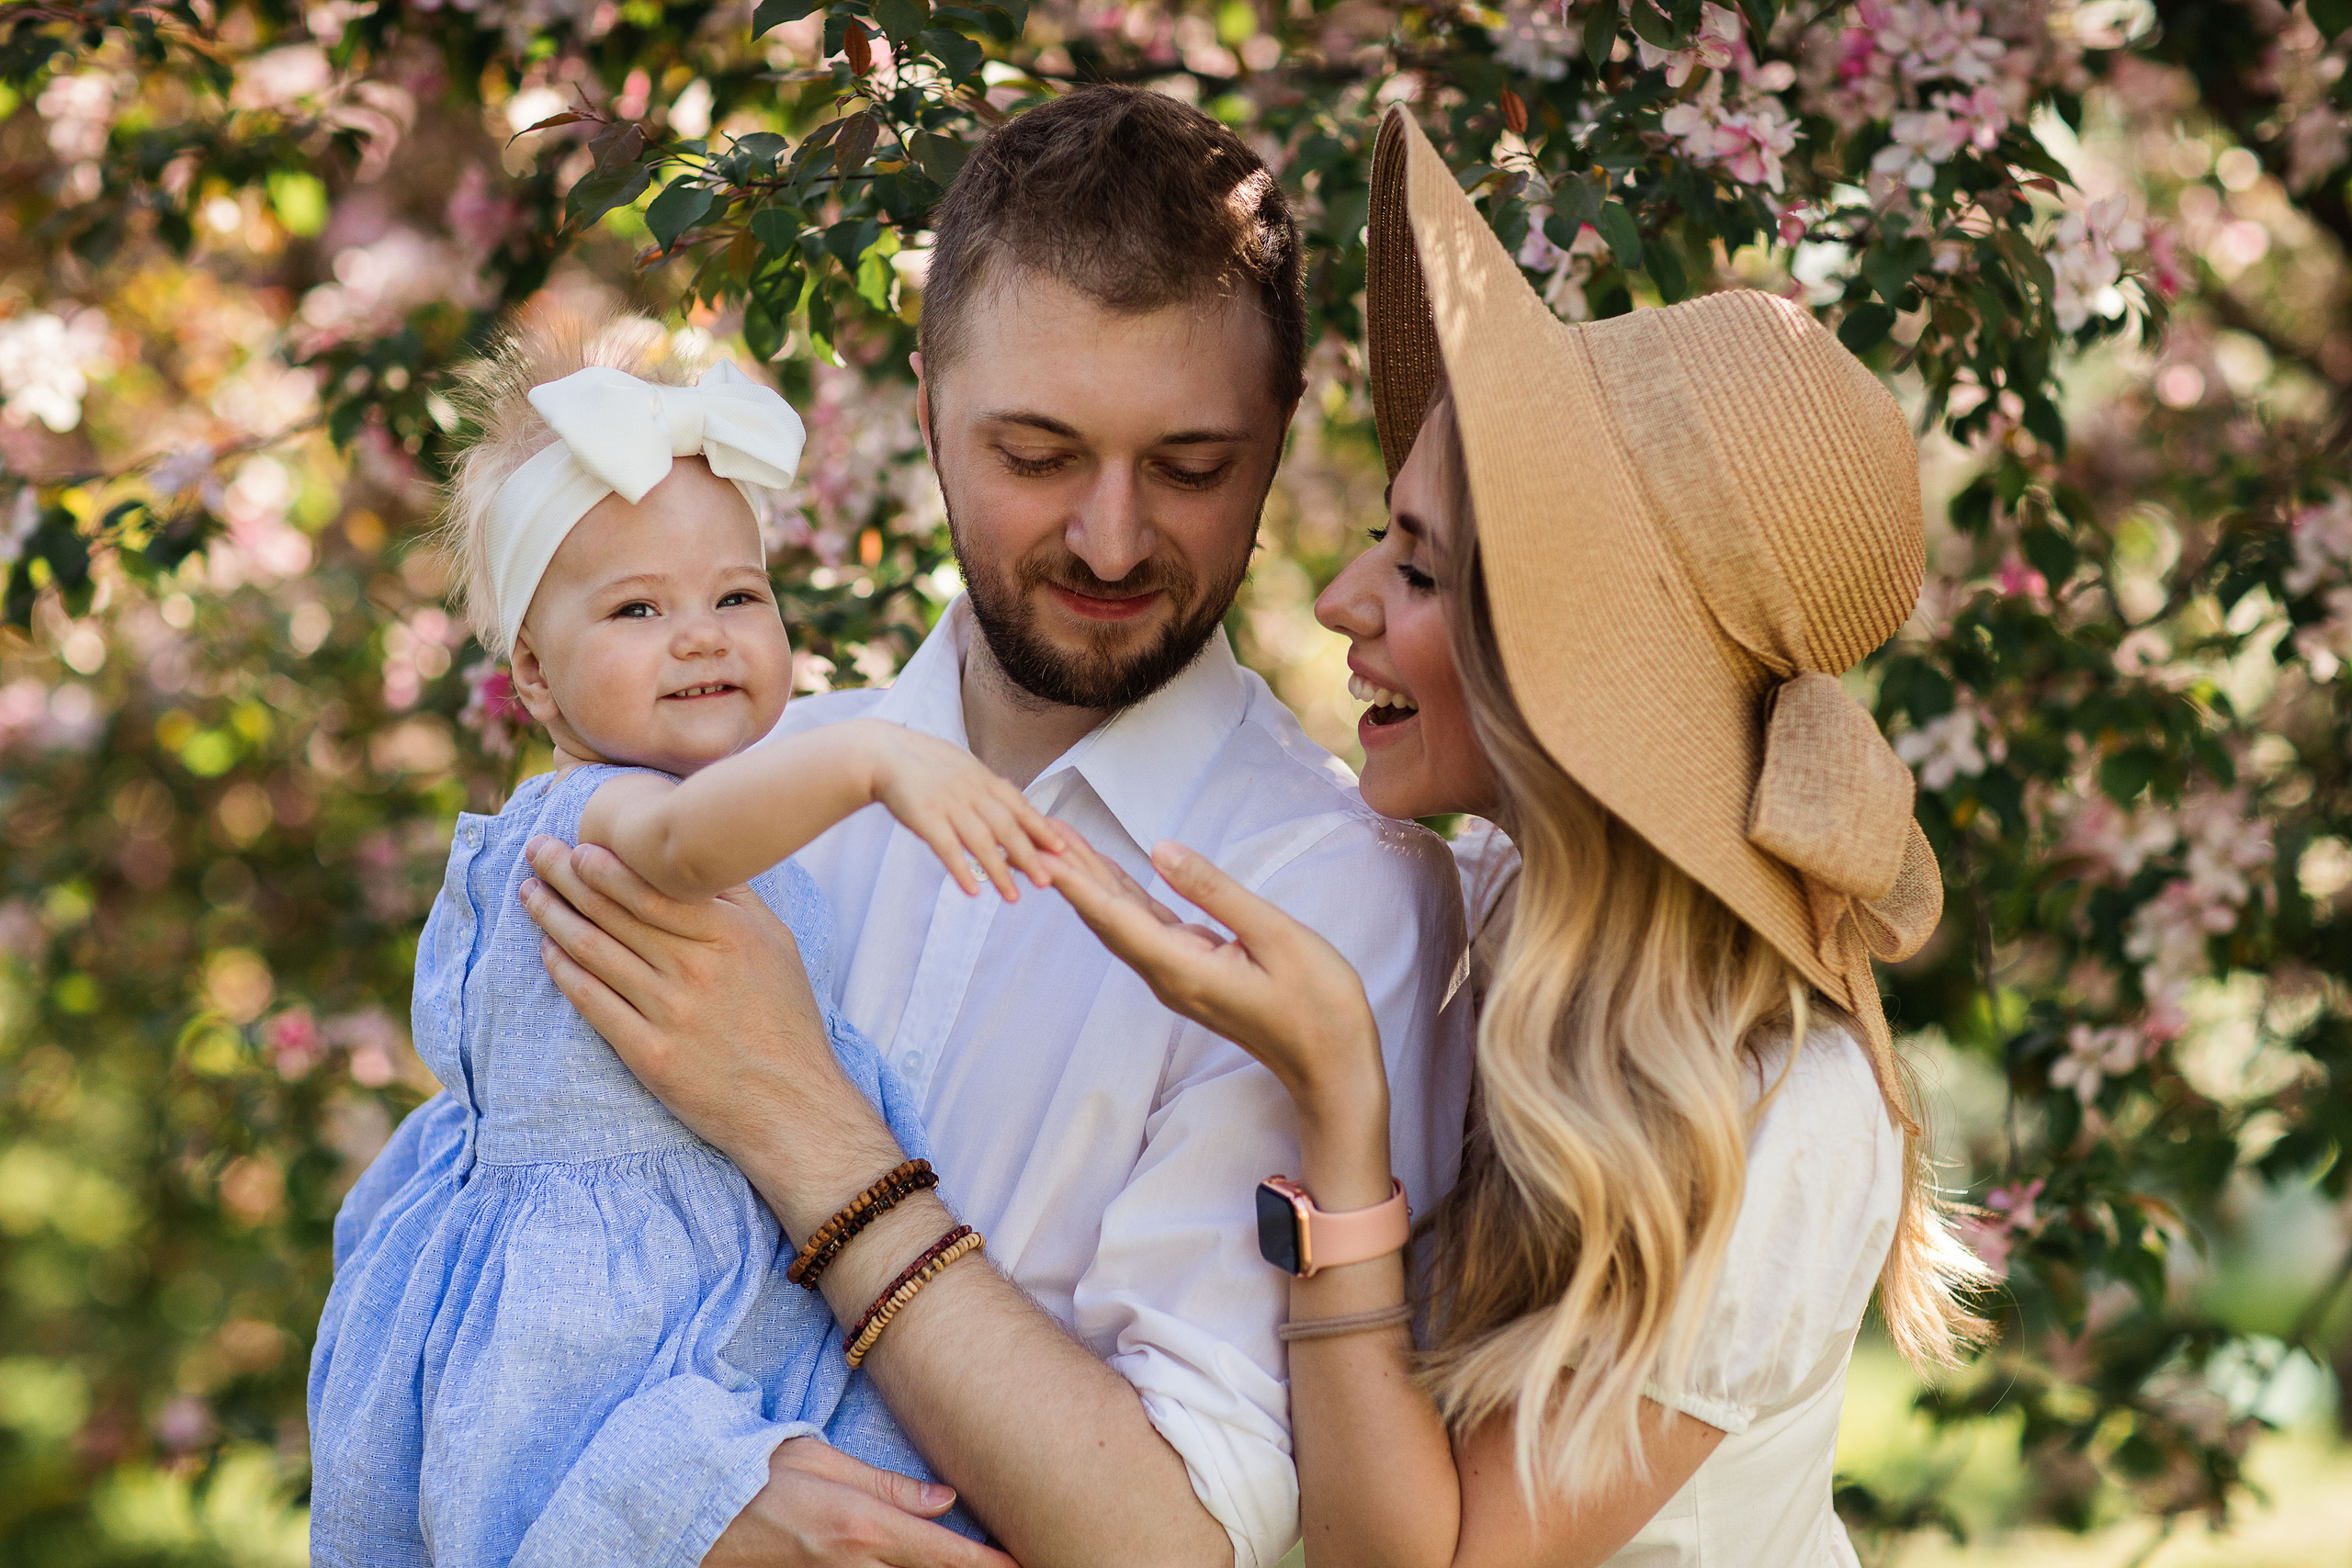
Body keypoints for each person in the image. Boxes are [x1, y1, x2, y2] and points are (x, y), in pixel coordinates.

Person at [516, 87, 1473, 1568]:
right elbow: (502, 1270)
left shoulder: (1340, 900)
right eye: (1036, 456)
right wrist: (677, 1487)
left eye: (1190, 467)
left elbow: (1177, 1543)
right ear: (926, 410)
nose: (1107, 539)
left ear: (1279, 440)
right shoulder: (723, 790)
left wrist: (801, 1125)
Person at [1045, 107, 1995, 1567]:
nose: (1345, 599)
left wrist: (1343, 1122)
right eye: (1385, 534)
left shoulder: (1787, 1119)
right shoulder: (1473, 913)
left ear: (1571, 664)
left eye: (1418, 568)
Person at [310, 316, 1059, 1568]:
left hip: (716, 1258)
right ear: (537, 683)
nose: (702, 633)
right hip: (599, 1305)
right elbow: (680, 851)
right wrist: (873, 757)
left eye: (736, 596)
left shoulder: (718, 801)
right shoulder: (600, 810)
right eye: (640, 608)